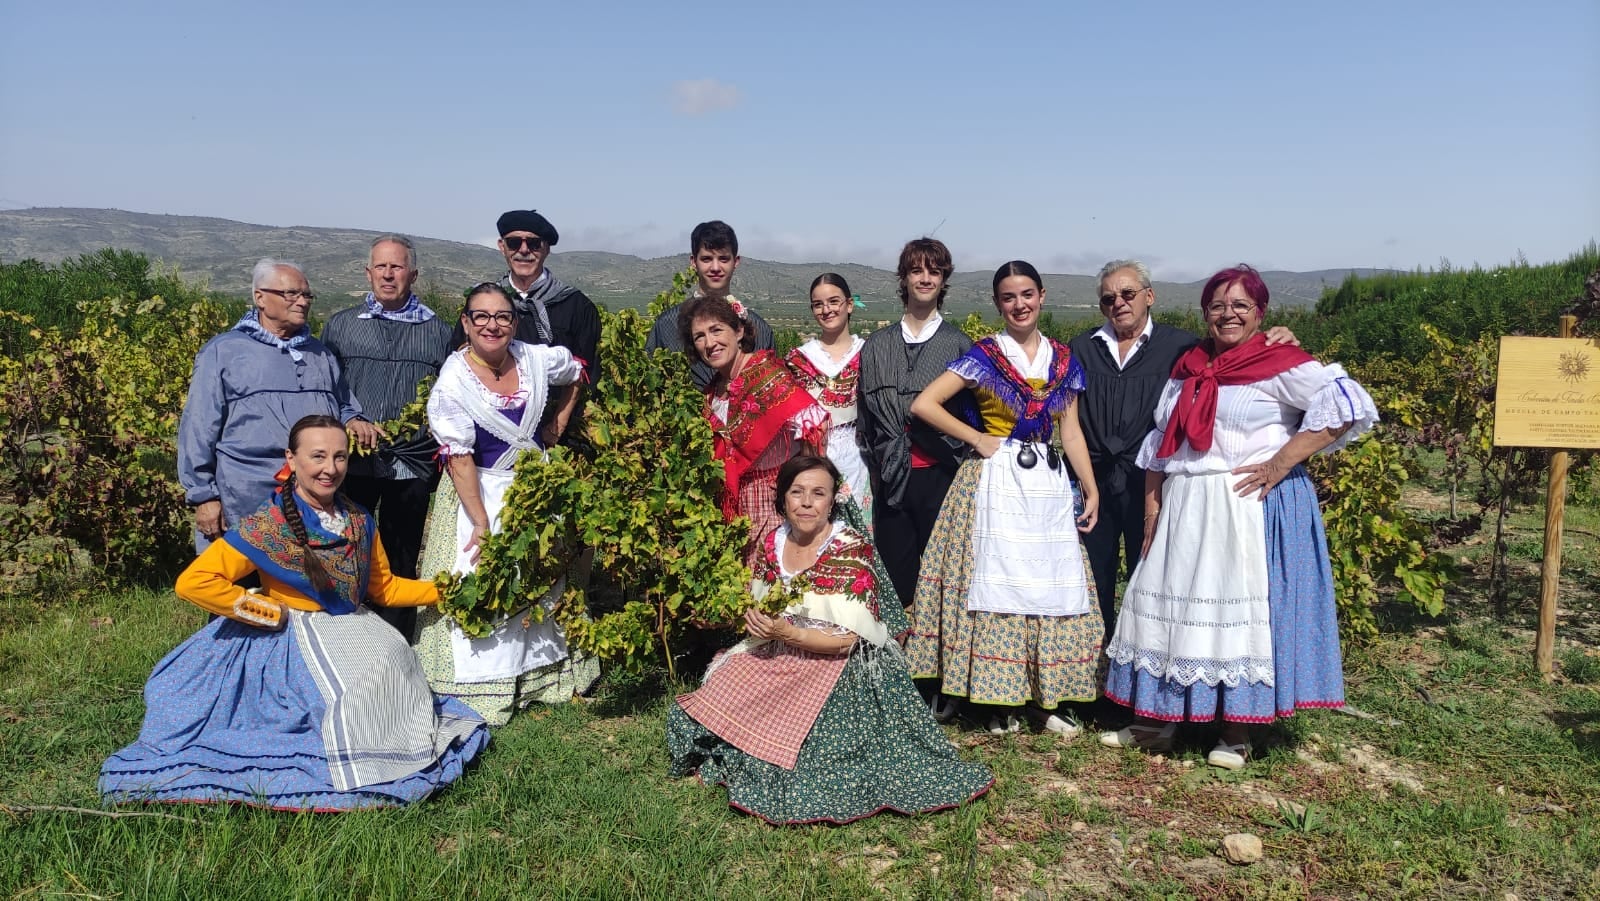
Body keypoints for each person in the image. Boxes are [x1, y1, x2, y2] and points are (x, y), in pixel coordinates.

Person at [100, 415, 488, 810]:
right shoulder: (268, 524)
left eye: (339, 456)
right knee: (359, 688)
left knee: (390, 662)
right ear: (292, 457)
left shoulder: (357, 519)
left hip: (354, 628)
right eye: (317, 456)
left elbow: (383, 589)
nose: (330, 468)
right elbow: (194, 581)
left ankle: (381, 749)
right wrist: (265, 610)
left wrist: (445, 591)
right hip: (292, 638)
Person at [1098, 264, 1378, 770]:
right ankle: (1160, 720)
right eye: (1218, 306)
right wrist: (1152, 504)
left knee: (1234, 616)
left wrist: (1280, 462)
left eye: (1240, 306)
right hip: (1184, 506)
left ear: (1260, 313)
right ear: (1204, 312)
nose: (1227, 314)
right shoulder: (1190, 365)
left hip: (1240, 507)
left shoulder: (1279, 361)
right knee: (1174, 609)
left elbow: (1346, 406)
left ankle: (1236, 731)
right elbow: (1163, 440)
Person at [667, 455, 993, 825]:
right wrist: (756, 619)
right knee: (699, 710)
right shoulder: (774, 541)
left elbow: (847, 640)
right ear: (783, 499)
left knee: (807, 748)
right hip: (780, 648)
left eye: (818, 493)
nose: (806, 503)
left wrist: (787, 632)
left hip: (837, 662)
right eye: (797, 492)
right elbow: (759, 603)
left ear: (832, 500)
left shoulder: (850, 546)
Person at [906, 261, 1104, 737]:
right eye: (1009, 297)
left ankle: (1042, 696)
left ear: (1042, 296)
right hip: (993, 480)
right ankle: (997, 699)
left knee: (1045, 583)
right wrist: (976, 438)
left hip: (1046, 487)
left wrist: (1090, 487)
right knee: (996, 584)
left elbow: (1070, 431)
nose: (1020, 304)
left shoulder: (1062, 360)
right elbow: (924, 404)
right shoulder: (985, 355)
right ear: (998, 303)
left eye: (1027, 294)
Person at [1069, 260, 1298, 640]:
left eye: (1128, 294)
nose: (1119, 303)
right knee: (1093, 578)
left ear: (1149, 296)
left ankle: (1140, 671)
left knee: (1155, 577)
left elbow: (1238, 350)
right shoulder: (1081, 348)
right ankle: (1094, 676)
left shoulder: (1183, 348)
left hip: (1156, 485)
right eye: (1109, 298)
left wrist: (1279, 336)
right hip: (1094, 484)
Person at [413, 283, 599, 725]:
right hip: (476, 493)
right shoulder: (454, 381)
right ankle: (485, 685)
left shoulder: (535, 357)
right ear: (466, 322)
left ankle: (542, 677)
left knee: (541, 576)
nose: (492, 325)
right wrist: (480, 521)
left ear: (514, 322)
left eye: (502, 316)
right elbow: (458, 460)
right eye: (481, 316)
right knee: (482, 574)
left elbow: (577, 369)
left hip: (534, 488)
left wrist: (559, 418)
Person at [178, 258, 378, 550]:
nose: (302, 302)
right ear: (260, 297)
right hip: (245, 495)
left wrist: (353, 419)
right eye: (291, 294)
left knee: (305, 584)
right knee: (242, 587)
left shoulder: (319, 354)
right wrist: (203, 496)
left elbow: (344, 404)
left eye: (306, 295)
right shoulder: (224, 352)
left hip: (312, 496)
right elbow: (198, 428)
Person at [321, 235, 452, 638]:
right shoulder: (341, 327)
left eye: (397, 267)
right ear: (368, 272)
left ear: (413, 274)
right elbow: (327, 387)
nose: (388, 274)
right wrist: (351, 417)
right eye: (381, 266)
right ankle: (345, 636)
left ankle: (396, 643)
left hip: (411, 462)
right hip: (353, 461)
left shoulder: (438, 331)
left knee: (401, 554)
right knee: (345, 546)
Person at [857, 237, 976, 608]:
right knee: (895, 578)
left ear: (943, 280)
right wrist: (879, 467)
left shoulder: (960, 345)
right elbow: (866, 419)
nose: (925, 278)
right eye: (916, 270)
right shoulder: (876, 346)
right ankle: (900, 659)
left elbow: (971, 415)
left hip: (942, 476)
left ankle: (942, 661)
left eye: (934, 271)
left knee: (947, 577)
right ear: (904, 278)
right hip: (892, 478)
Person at [681, 293, 828, 565]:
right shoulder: (713, 393)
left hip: (775, 503)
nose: (709, 343)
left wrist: (803, 494)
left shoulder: (766, 373)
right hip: (737, 509)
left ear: (738, 331)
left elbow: (814, 425)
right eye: (699, 336)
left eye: (716, 330)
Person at [449, 209, 601, 450]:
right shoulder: (483, 303)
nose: (523, 250)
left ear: (546, 249)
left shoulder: (577, 306)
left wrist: (555, 429)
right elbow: (460, 359)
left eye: (533, 243)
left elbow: (584, 372)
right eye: (513, 242)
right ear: (502, 246)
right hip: (490, 435)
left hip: (559, 439)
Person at [646, 220, 775, 390]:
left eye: (723, 259)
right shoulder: (667, 324)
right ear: (693, 262)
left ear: (735, 262)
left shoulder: (759, 328)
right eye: (707, 259)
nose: (715, 267)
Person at [783, 273, 872, 518]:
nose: (826, 310)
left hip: (859, 457)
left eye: (834, 301)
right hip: (812, 458)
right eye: (818, 304)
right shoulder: (798, 360)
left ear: (849, 304)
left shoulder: (869, 354)